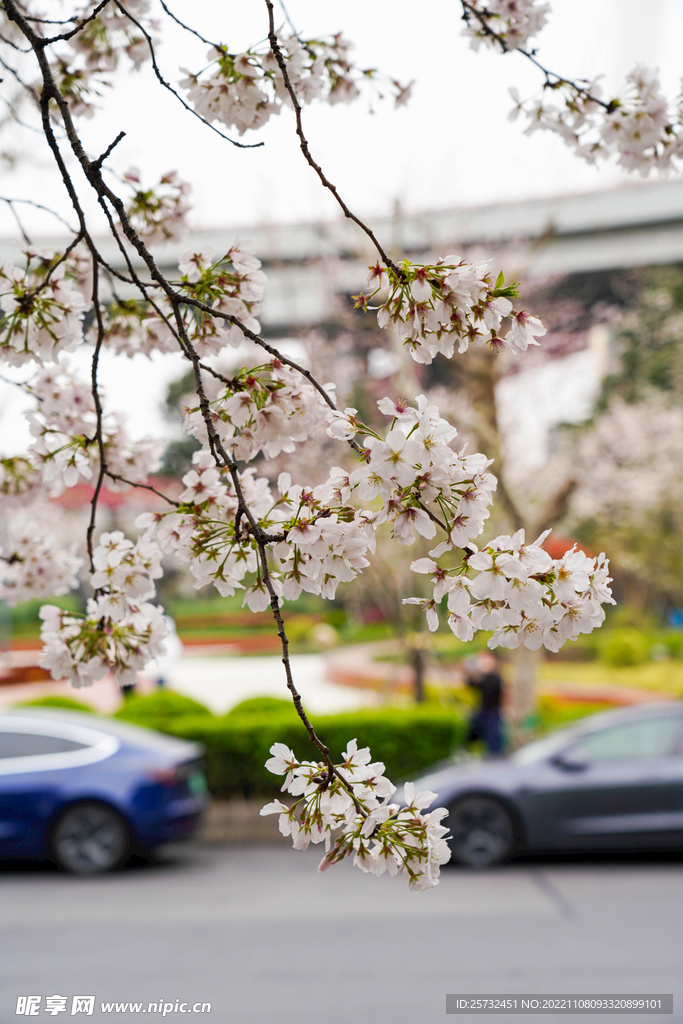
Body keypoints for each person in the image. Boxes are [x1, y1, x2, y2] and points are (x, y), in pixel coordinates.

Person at [463, 650, 505, 756]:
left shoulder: (495, 677)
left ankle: (495, 759)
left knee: (494, 741)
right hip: (482, 711)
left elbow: (488, 684)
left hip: (493, 713)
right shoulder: (484, 676)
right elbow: (472, 684)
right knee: (469, 733)